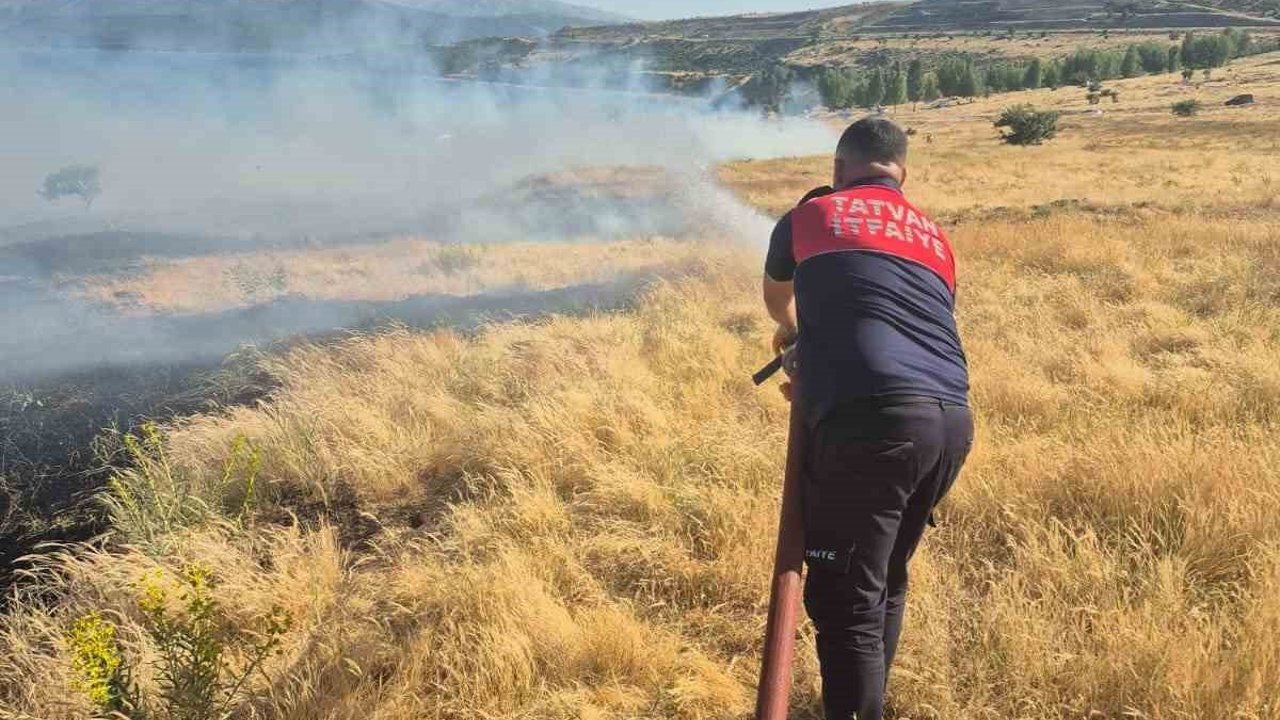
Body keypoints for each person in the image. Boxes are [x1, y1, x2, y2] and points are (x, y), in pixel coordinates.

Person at [762, 116, 972, 720]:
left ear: (837, 170)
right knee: (884, 578)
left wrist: (794, 333)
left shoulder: (809, 215)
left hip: (871, 420)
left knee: (844, 599)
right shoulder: (934, 237)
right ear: (902, 175)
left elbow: (779, 298)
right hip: (951, 420)